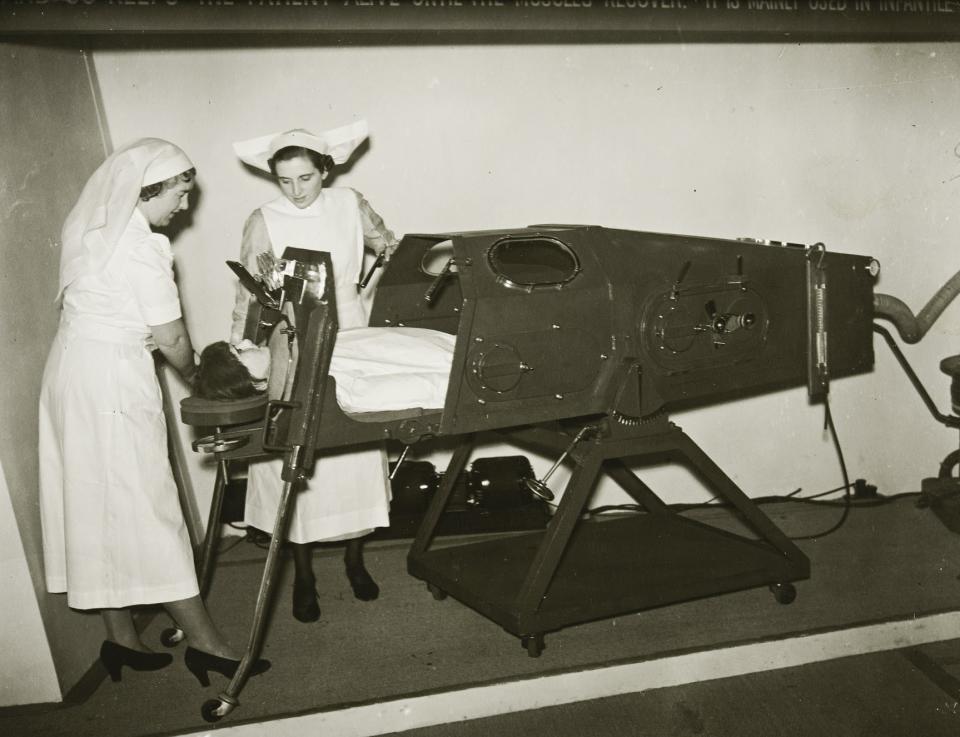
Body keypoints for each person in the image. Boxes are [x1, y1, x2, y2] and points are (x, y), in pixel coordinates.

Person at [38, 138, 269, 686]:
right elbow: (172, 337)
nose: (184, 206)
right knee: (150, 507)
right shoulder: (143, 246)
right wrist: (204, 380)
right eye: (179, 193)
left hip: (71, 372)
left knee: (93, 503)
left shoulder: (91, 227)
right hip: (112, 382)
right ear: (147, 191)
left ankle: (121, 640)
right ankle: (208, 646)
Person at [232, 120, 400, 623]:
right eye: (285, 180)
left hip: (349, 328)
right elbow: (248, 292)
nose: (295, 190)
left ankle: (354, 558)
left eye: (305, 178)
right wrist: (248, 350)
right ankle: (303, 572)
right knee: (301, 448)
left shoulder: (349, 202)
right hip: (293, 333)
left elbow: (383, 239)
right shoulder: (264, 218)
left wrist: (385, 247)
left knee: (353, 447)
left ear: (324, 170)